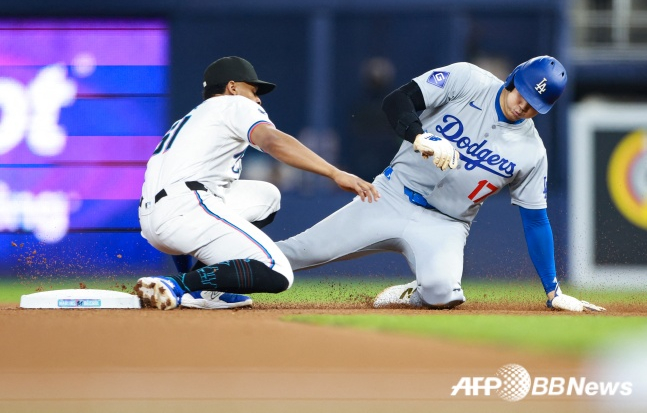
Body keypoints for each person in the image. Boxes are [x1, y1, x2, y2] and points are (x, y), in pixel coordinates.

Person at [277, 55, 606, 312]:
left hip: (446, 224)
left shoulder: (532, 152)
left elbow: (536, 220)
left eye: (535, 106)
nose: (524, 106)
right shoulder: (468, 80)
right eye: (524, 93)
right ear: (514, 78)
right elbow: (397, 100)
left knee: (443, 294)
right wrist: (419, 137)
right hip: (388, 196)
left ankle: (411, 294)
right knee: (301, 251)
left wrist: (553, 290)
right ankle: (225, 272)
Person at [136, 56, 379, 310]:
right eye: (252, 90)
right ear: (232, 88)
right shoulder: (233, 105)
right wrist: (334, 172)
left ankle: (204, 289)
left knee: (267, 196)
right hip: (188, 208)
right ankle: (179, 284)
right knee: (277, 272)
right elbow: (272, 141)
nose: (257, 98)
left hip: (154, 216)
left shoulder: (188, 121)